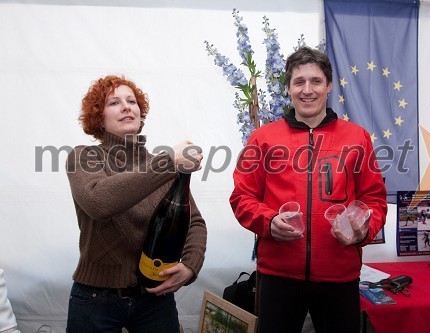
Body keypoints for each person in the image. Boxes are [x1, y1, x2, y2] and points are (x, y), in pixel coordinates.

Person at [229, 47, 387, 333]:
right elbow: (242, 196)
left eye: (315, 81)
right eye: (299, 82)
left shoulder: (357, 138)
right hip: (278, 276)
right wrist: (268, 221)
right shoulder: (263, 138)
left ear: (329, 86)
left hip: (339, 276)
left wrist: (363, 228)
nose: (307, 90)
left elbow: (374, 199)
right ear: (288, 88)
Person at [65, 75, 207, 333]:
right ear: (99, 118)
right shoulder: (85, 157)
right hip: (95, 300)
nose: (126, 106)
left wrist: (190, 265)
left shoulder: (161, 165)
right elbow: (99, 201)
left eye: (131, 101)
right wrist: (168, 162)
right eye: (114, 103)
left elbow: (194, 221)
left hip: (155, 300)